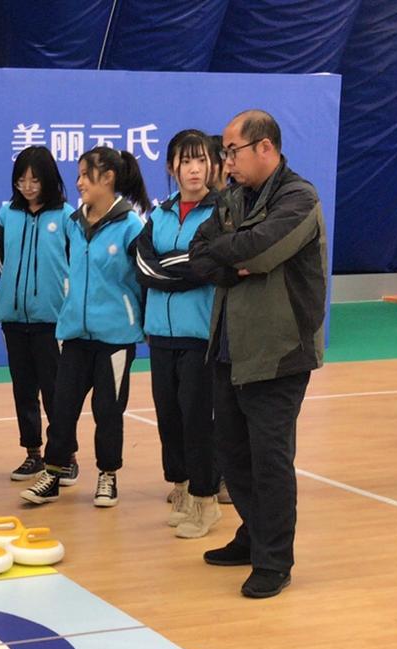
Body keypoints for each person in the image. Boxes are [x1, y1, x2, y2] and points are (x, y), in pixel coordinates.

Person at [187, 110, 327, 599]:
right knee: (232, 452)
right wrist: (230, 264)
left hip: (279, 352)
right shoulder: (230, 198)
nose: (225, 162)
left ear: (264, 147)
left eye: (231, 151)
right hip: (230, 347)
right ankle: (252, 534)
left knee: (270, 459)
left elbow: (262, 251)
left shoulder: (298, 197)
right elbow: (200, 252)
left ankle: (274, 560)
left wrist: (231, 254)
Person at [19, 147, 148, 511]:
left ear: (107, 178)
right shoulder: (74, 223)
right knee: (62, 407)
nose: (77, 183)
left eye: (83, 175)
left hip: (115, 339)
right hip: (75, 333)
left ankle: (108, 474)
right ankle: (54, 473)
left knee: (108, 410)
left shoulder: (131, 225)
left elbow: (141, 282)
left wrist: (135, 320)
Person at [134, 129, 222, 537]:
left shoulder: (220, 213)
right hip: (160, 336)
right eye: (186, 161)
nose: (194, 168)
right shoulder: (161, 213)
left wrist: (170, 269)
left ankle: (207, 502)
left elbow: (206, 264)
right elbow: (143, 265)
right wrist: (180, 268)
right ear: (172, 167)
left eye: (201, 160)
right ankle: (182, 488)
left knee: (197, 419)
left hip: (199, 335)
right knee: (168, 417)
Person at [0, 145, 73, 484]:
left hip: (51, 319)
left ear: (50, 181)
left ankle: (64, 455)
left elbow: (74, 265)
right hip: (13, 317)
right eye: (21, 179)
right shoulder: (5, 215)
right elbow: (1, 261)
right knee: (23, 389)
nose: (27, 186)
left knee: (55, 390)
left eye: (35, 180)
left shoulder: (68, 217)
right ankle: (33, 454)